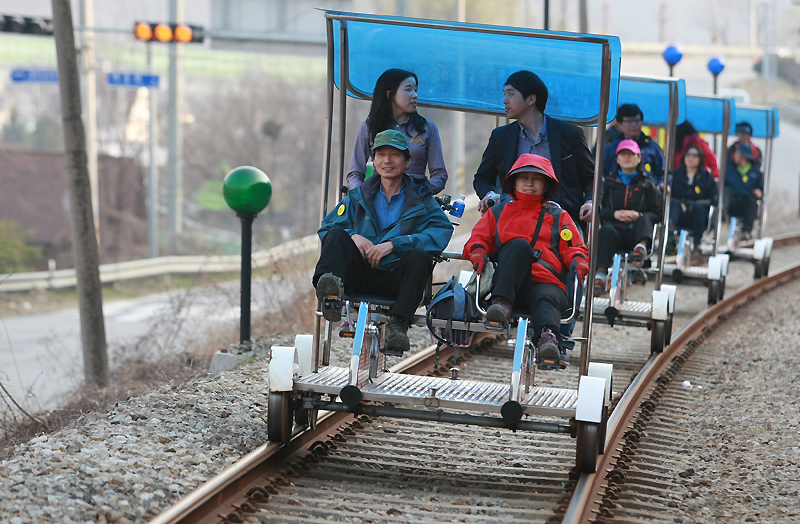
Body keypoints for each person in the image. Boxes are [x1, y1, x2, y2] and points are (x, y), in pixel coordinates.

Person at [471, 70, 595, 354]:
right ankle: (502, 304)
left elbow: (590, 176)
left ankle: (557, 336)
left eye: (510, 94)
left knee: (569, 263)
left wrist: (588, 201)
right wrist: (491, 195)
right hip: (513, 218)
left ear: (531, 99)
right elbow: (483, 177)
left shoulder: (569, 134)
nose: (504, 100)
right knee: (515, 247)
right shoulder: (501, 136)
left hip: (560, 219)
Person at [314, 130, 453, 355]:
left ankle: (398, 325)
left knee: (420, 255)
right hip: (357, 274)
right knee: (337, 234)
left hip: (395, 280)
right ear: (374, 160)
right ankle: (331, 297)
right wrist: (353, 235)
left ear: (407, 161)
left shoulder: (422, 199)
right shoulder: (358, 196)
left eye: (394, 155)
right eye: (381, 154)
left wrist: (396, 244)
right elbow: (326, 227)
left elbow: (442, 231)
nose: (387, 160)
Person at [464, 154, 589, 370]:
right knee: (519, 246)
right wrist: (477, 252)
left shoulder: (559, 216)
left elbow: (575, 247)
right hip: (508, 285)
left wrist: (578, 260)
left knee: (546, 296)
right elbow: (477, 240)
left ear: (547, 185)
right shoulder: (497, 212)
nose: (530, 183)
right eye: (524, 178)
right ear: (513, 181)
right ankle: (501, 305)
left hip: (546, 283)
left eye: (537, 179)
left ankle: (548, 340)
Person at [347, 69, 448, 194]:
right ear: (389, 94)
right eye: (408, 89)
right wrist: (362, 197)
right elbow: (355, 173)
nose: (415, 95)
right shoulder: (368, 127)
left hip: (417, 202)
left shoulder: (428, 128)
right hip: (378, 197)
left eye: (415, 90)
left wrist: (422, 192)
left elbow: (439, 174)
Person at [595, 140, 663, 292]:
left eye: (631, 154)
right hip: (614, 232)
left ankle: (641, 249)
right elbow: (599, 209)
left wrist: (637, 215)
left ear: (639, 158)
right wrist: (615, 214)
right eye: (623, 154)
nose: (627, 157)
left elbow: (658, 213)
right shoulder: (607, 183)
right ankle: (600, 274)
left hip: (637, 233)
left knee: (645, 218)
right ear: (617, 159)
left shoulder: (647, 185)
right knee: (606, 230)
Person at [603, 104, 666, 187]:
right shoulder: (612, 147)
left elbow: (664, 173)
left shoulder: (652, 147)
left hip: (646, 194)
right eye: (629, 121)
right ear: (620, 124)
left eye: (637, 121)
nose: (633, 125)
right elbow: (602, 171)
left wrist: (663, 183)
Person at [669, 145, 718, 252]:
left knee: (698, 207)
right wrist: (680, 203)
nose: (691, 158)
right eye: (688, 155)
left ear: (700, 159)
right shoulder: (676, 175)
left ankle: (697, 242)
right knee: (674, 204)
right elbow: (670, 194)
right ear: (684, 157)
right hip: (679, 212)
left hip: (698, 215)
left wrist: (697, 203)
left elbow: (713, 199)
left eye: (694, 156)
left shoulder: (706, 177)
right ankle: (670, 239)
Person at [725, 143, 763, 240]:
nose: (734, 156)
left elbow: (760, 188)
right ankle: (722, 217)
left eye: (737, 153)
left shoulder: (756, 172)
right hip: (732, 203)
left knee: (752, 203)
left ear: (743, 155)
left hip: (747, 203)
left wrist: (759, 192)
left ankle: (746, 231)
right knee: (726, 194)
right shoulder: (729, 170)